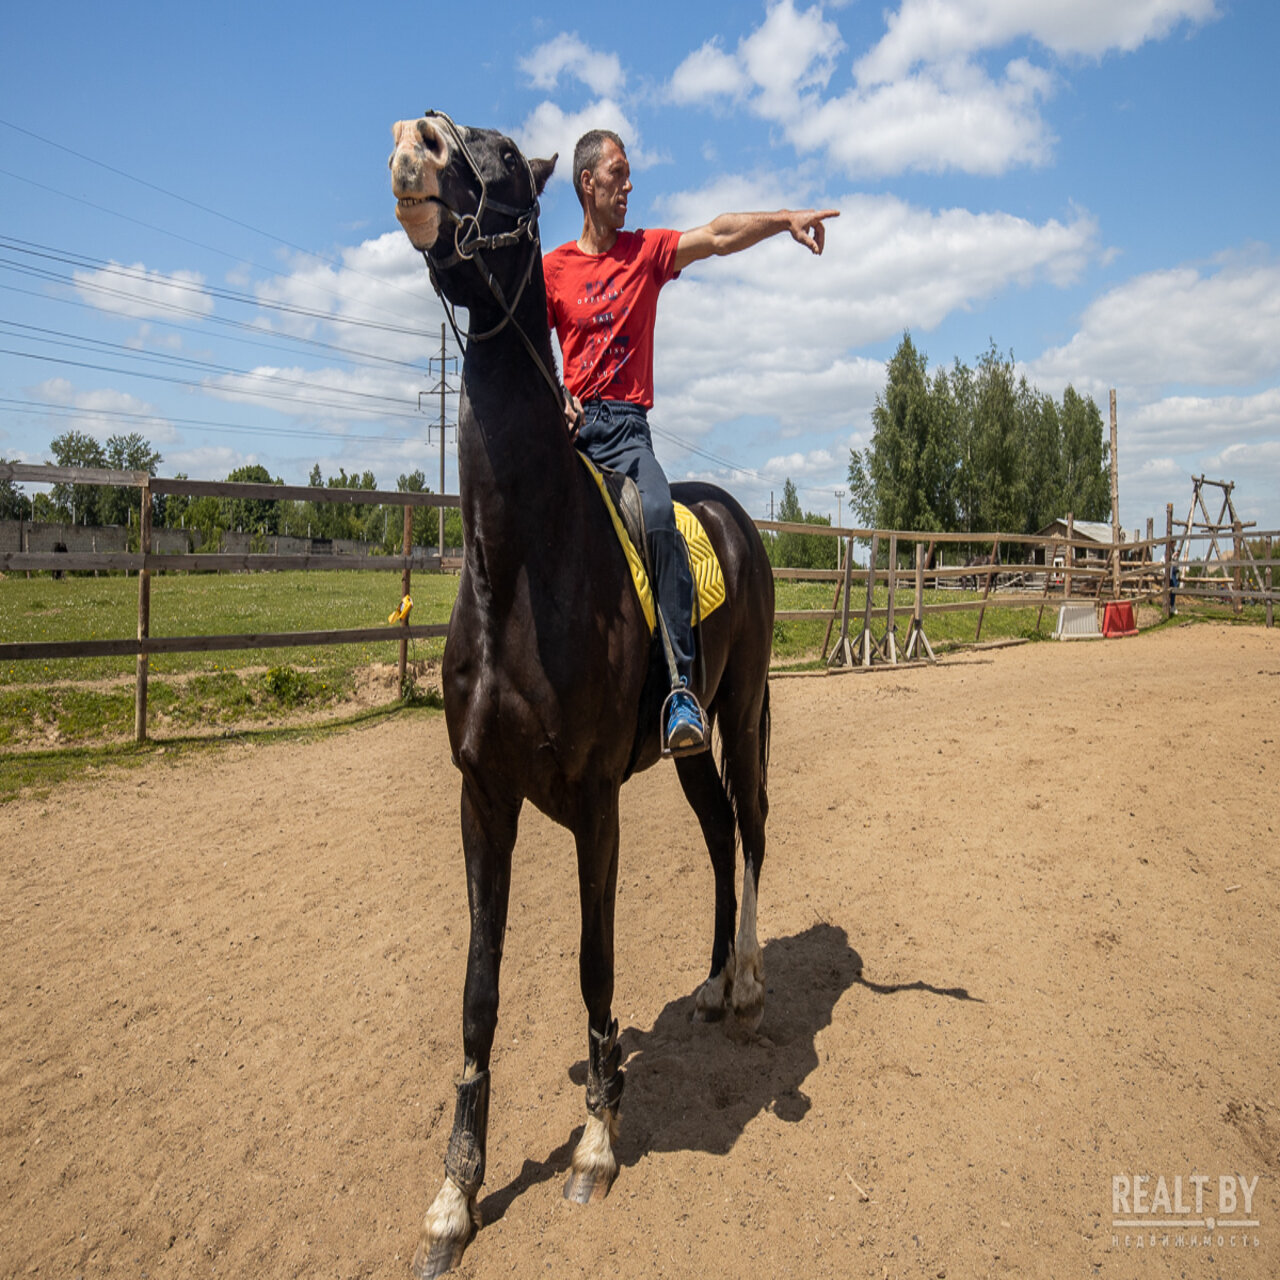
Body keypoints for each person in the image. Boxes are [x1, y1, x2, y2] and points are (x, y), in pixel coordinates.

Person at [544, 128, 838, 756]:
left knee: (656, 517)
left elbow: (719, 234)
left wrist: (785, 218)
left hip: (626, 434)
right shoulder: (553, 270)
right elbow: (526, 350)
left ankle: (679, 686)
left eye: (629, 175)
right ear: (587, 183)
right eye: (618, 174)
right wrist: (554, 396)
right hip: (572, 438)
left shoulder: (645, 252)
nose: (629, 186)